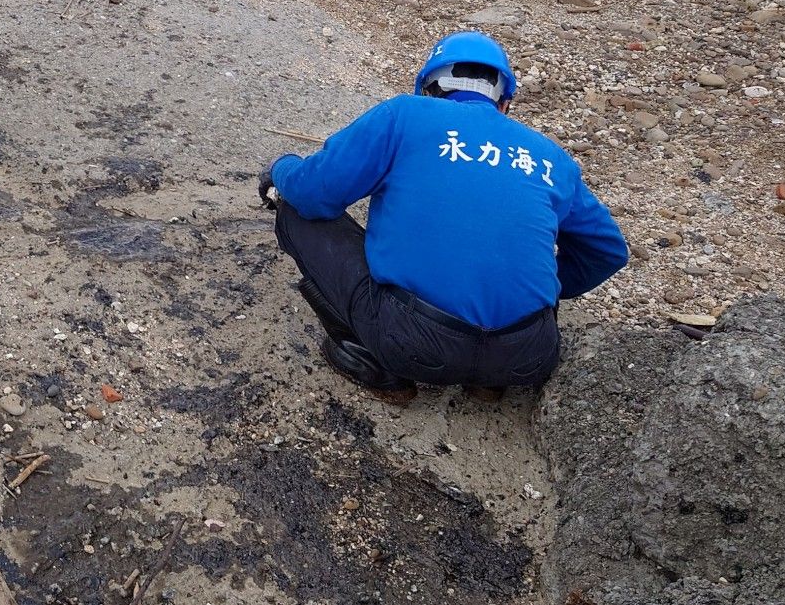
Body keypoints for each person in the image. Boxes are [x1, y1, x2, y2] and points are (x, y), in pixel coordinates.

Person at [261, 32, 627, 402]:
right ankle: (488, 380)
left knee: (296, 208)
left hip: (413, 343)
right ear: (504, 102)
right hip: (528, 355)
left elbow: (314, 193)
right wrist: (539, 287)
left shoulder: (404, 116)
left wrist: (282, 168)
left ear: (428, 88)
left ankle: (372, 361)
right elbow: (608, 250)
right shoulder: (551, 157)